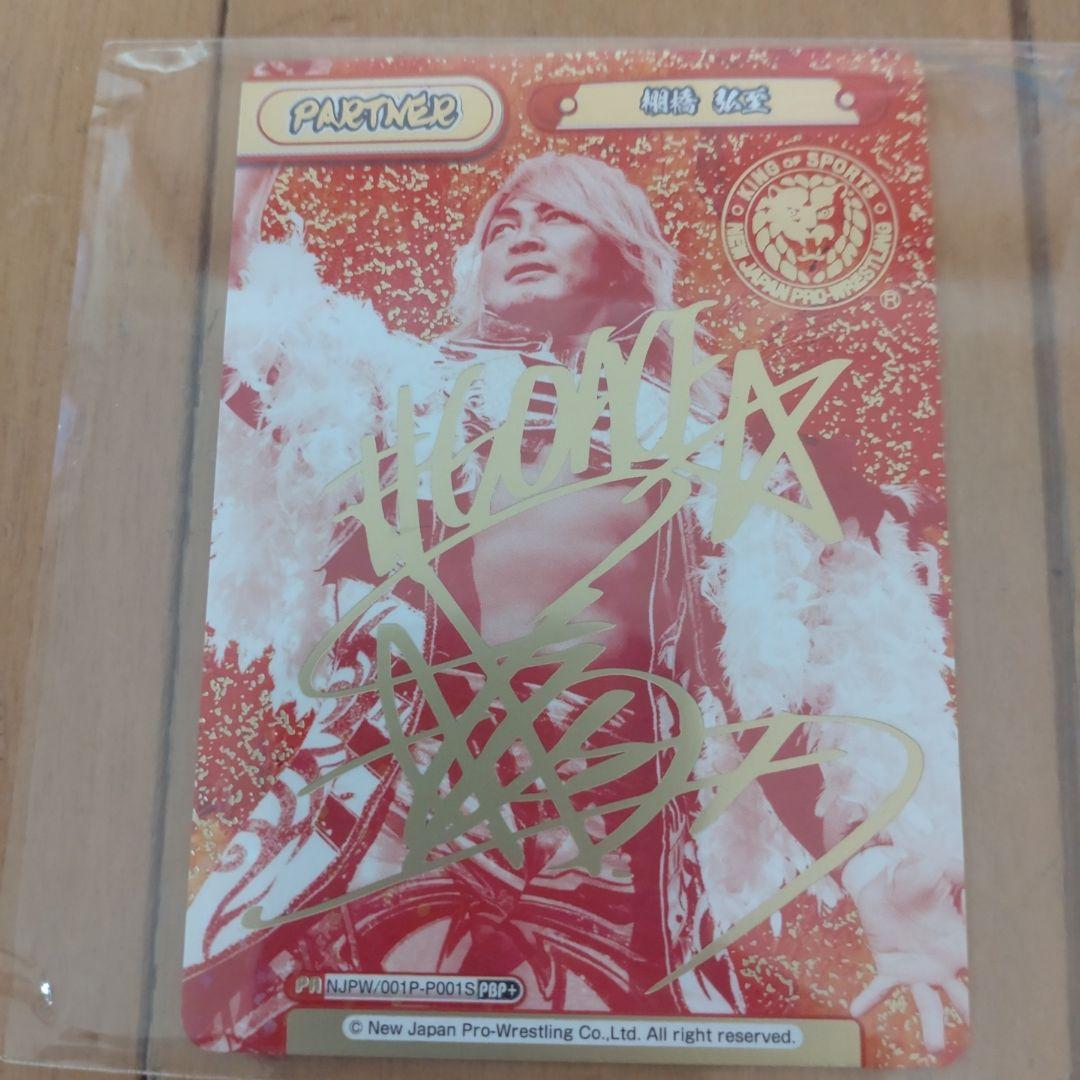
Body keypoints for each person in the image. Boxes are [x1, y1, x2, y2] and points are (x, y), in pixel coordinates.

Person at [185, 152, 967, 1055]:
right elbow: (232, 309)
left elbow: (769, 694)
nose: (521, 234)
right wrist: (255, 152)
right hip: (388, 807)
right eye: (502, 224)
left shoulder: (720, 453)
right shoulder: (389, 389)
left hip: (607, 852)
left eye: (554, 215)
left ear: (622, 253)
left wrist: (872, 877)